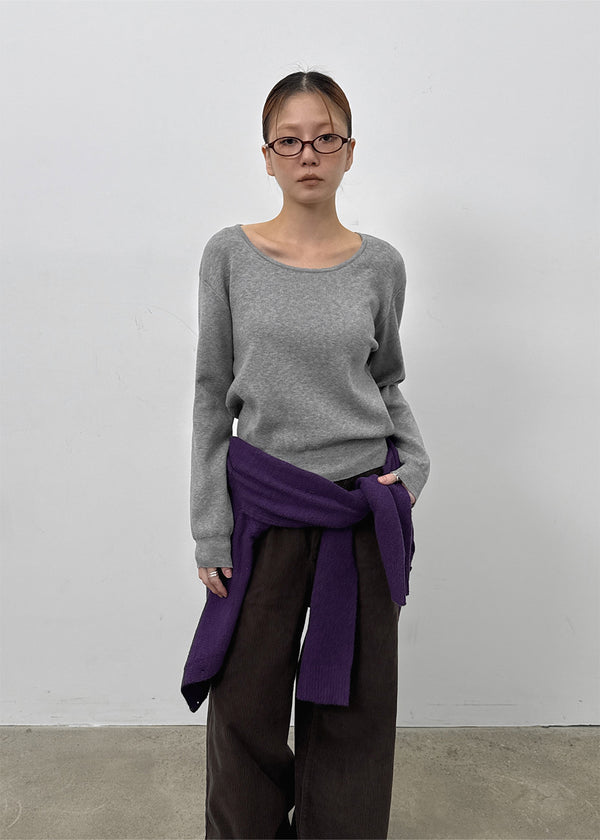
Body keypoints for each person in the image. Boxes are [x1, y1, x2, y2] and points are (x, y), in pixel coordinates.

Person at [189, 70, 430, 840]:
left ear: (350, 151)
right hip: (263, 508)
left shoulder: (380, 265)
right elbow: (211, 392)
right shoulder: (229, 255)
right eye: (289, 141)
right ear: (266, 155)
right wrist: (209, 527)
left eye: (326, 138)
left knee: (353, 713)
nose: (308, 155)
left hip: (359, 507)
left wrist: (413, 468)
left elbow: (385, 381)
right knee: (244, 703)